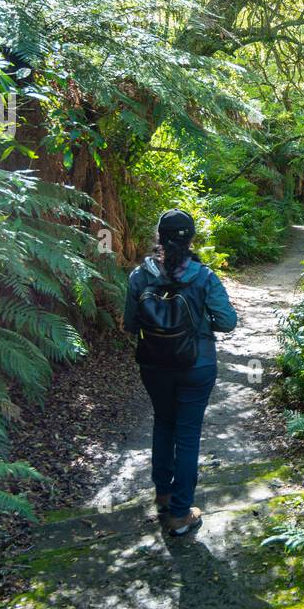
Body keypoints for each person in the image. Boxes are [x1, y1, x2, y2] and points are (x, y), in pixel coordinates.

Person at [123, 209, 237, 535]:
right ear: (191, 239)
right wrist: (202, 322)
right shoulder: (203, 277)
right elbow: (227, 322)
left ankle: (163, 494)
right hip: (196, 364)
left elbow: (131, 324)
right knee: (187, 435)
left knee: (163, 421)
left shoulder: (139, 276)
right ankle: (180, 513)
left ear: (159, 236)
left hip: (154, 365)